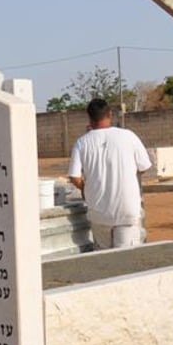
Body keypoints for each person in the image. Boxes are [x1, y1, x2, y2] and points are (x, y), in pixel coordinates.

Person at [68, 98, 153, 250]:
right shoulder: (128, 136)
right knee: (128, 261)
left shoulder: (81, 142)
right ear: (110, 114)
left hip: (99, 212)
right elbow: (144, 166)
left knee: (104, 261)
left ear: (89, 117)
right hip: (127, 211)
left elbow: (74, 177)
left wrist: (85, 188)